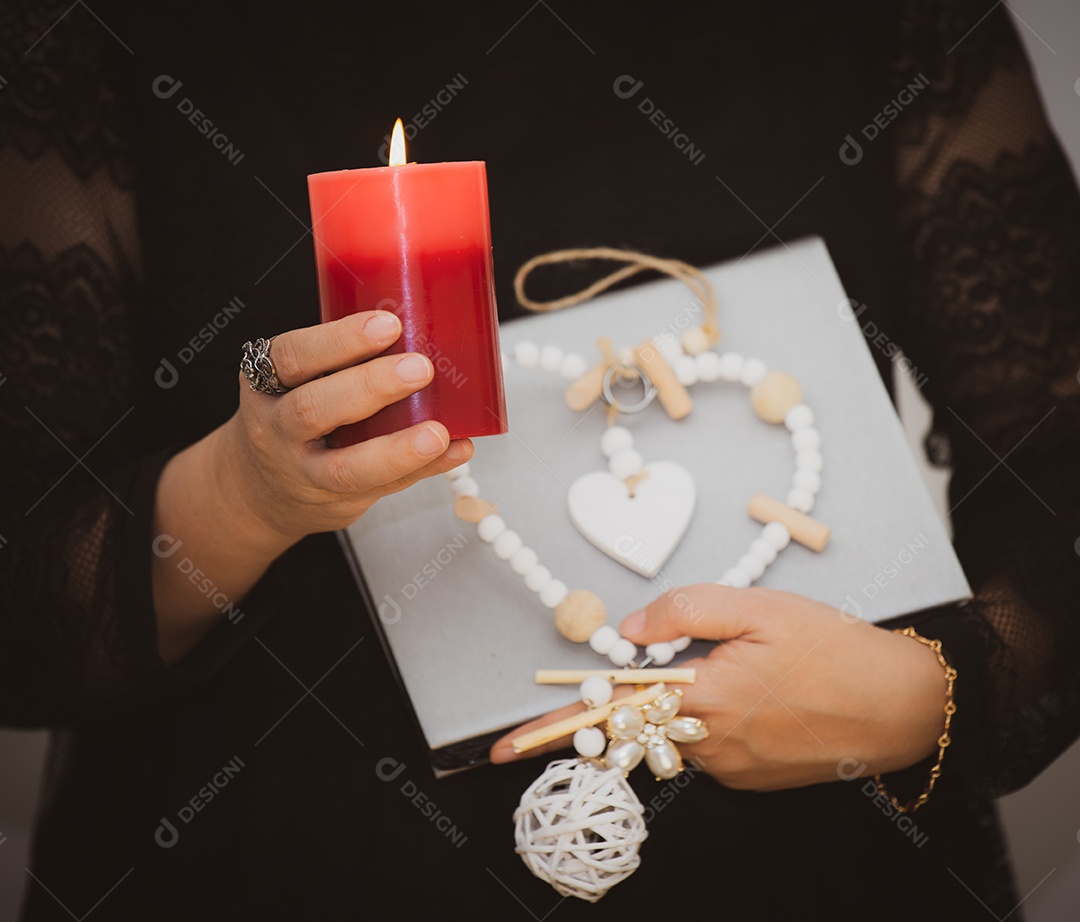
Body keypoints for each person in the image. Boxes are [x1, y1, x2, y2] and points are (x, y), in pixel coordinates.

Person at [2, 0, 1078, 918]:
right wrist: (243, 494)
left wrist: (919, 698)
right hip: (275, 850)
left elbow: (1060, 463)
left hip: (816, 855)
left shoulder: (891, 22)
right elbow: (24, 600)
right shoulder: (108, 37)